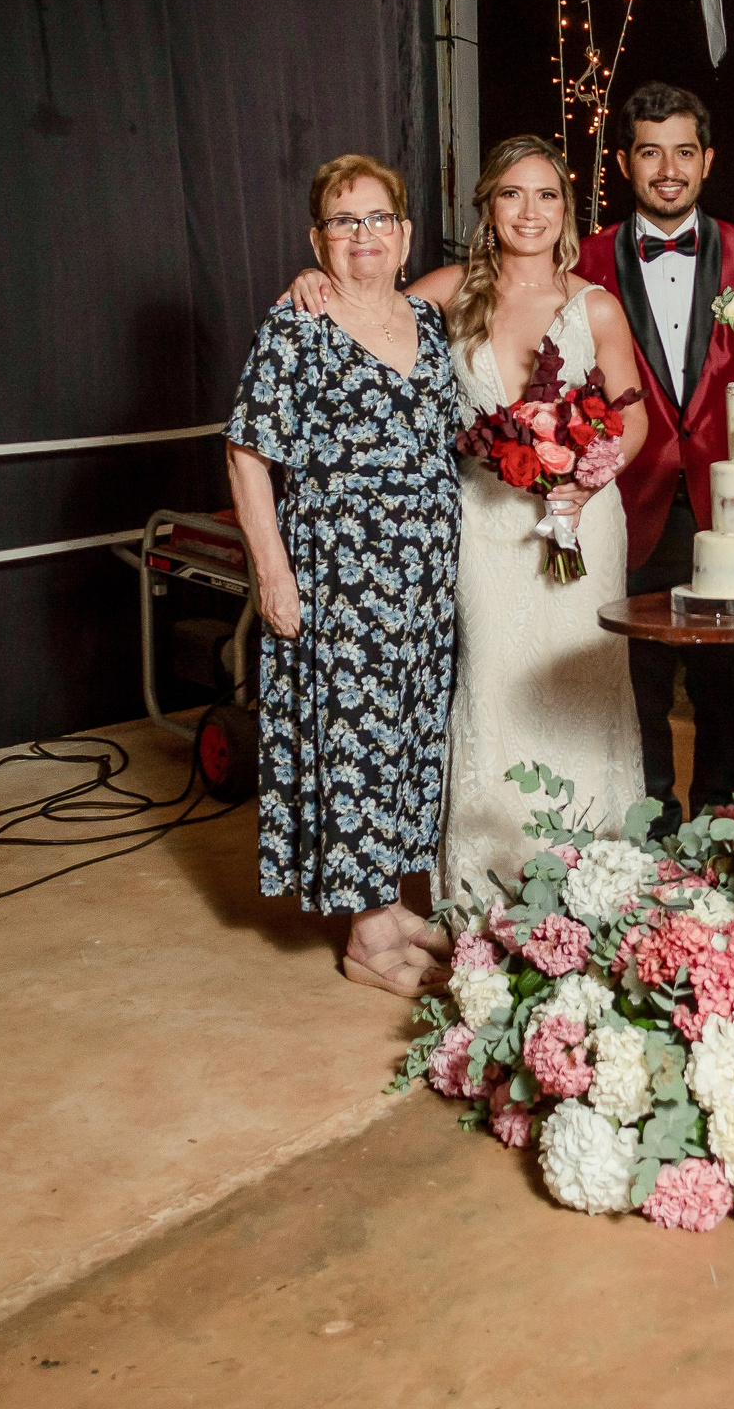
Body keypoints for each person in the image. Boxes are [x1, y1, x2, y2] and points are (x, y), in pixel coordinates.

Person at [285, 139, 650, 909]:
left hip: (580, 523)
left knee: (585, 685)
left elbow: (634, 418)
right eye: (512, 195)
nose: (529, 212)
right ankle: (493, 886)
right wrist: (318, 276)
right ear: (487, 208)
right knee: (493, 683)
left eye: (545, 196)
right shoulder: (449, 289)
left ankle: (595, 880)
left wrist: (585, 481)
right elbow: (365, 314)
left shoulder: (596, 306)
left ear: (565, 212)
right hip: (483, 528)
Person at [225, 154, 462, 998]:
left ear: (403, 233)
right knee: (352, 741)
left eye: (377, 219)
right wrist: (273, 574)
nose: (362, 235)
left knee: (407, 735)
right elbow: (248, 454)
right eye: (342, 221)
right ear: (317, 238)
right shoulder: (294, 325)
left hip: (426, 577)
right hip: (339, 567)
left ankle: (389, 901)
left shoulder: (429, 323)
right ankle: (365, 935)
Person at [574, 82, 734, 830]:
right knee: (636, 679)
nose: (668, 168)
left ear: (707, 161)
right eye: (650, 152)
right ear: (625, 164)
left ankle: (718, 829)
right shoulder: (582, 258)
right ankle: (652, 828)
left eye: (684, 152)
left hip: (725, 509)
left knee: (726, 682)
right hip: (623, 503)